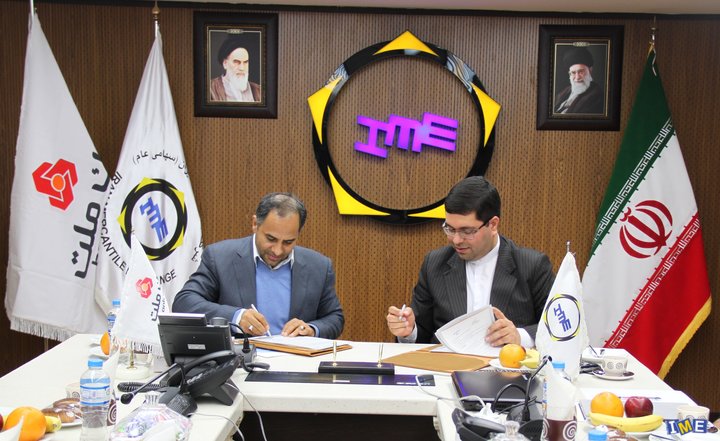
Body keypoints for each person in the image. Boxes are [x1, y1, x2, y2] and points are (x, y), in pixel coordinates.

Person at [386, 176, 555, 347]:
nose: (457, 240)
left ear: (493, 225)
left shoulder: (532, 266)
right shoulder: (434, 264)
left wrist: (520, 337)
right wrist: (409, 331)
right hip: (447, 363)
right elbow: (422, 332)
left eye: (467, 231)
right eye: (450, 229)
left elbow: (558, 328)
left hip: (506, 362)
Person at [173, 193, 344, 339]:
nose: (277, 250)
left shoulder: (319, 266)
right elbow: (184, 303)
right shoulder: (219, 257)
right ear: (255, 224)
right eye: (271, 239)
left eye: (288, 242)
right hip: (239, 362)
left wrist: (312, 330)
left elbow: (334, 318)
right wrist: (236, 317)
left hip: (296, 362)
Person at [210, 34, 262, 102]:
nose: (242, 68)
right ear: (225, 63)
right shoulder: (210, 89)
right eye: (236, 62)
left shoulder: (259, 91)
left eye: (245, 62)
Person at [554, 46, 604, 114]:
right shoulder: (564, 92)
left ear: (590, 71)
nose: (577, 77)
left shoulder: (596, 97)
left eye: (581, 72)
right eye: (573, 73)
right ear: (569, 74)